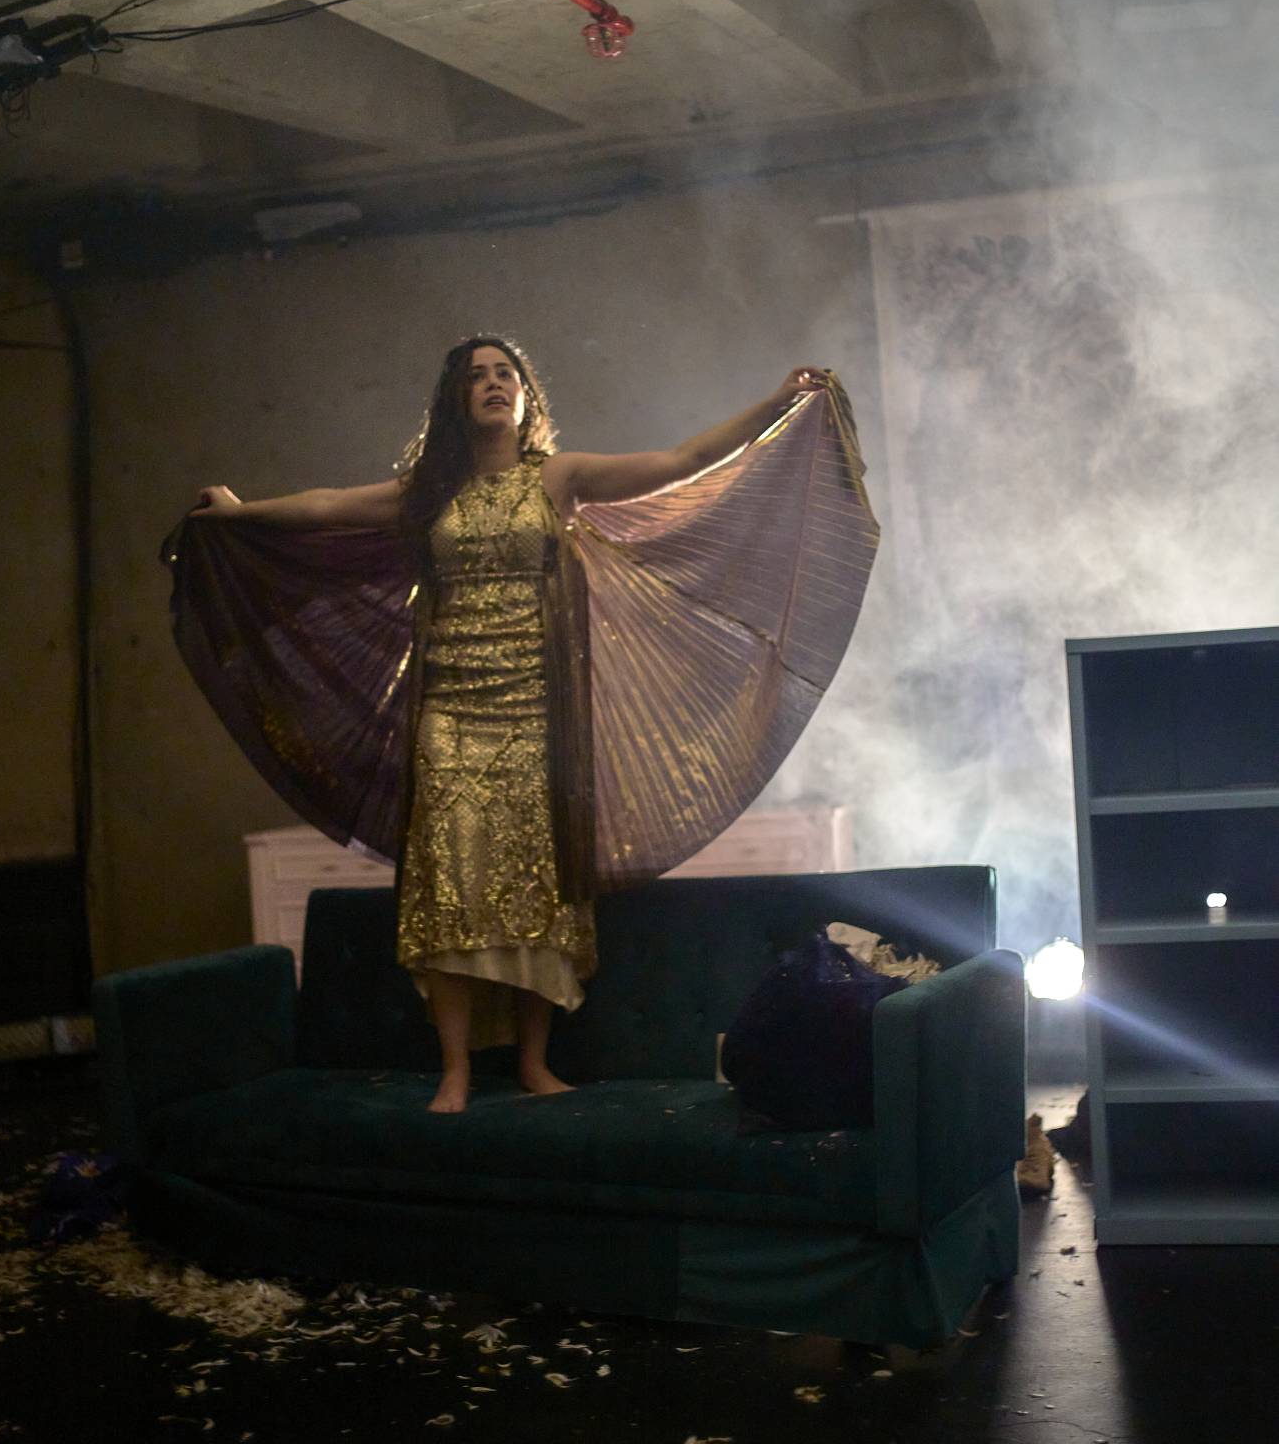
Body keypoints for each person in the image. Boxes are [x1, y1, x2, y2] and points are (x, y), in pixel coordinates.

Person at [174, 337, 879, 1117]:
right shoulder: (428, 493)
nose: (491, 384)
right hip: (449, 714)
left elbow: (681, 459)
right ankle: (456, 1072)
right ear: (455, 401)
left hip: (536, 714)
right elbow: (329, 505)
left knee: (536, 889)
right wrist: (242, 515)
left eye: (503, 373)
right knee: (450, 887)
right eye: (475, 376)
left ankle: (536, 1062)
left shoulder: (558, 477)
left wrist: (776, 404)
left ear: (524, 395)